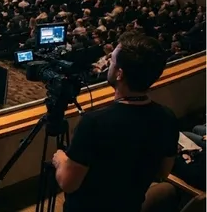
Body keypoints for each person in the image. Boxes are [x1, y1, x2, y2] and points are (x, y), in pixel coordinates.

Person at [52, 32, 178, 212]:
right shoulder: (168, 117)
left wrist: (60, 159)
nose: (109, 63)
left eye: (111, 61)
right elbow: (163, 172)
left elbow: (67, 183)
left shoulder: (94, 123)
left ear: (119, 73)